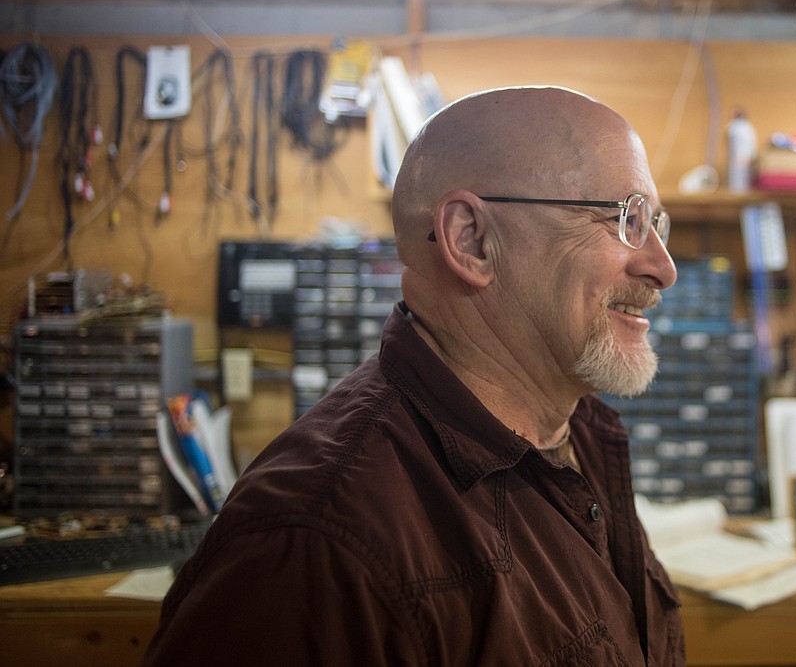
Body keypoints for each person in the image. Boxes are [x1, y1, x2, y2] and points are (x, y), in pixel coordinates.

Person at [143, 86, 684, 666]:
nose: (664, 267)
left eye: (656, 223)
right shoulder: (318, 545)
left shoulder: (582, 439)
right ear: (471, 240)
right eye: (626, 218)